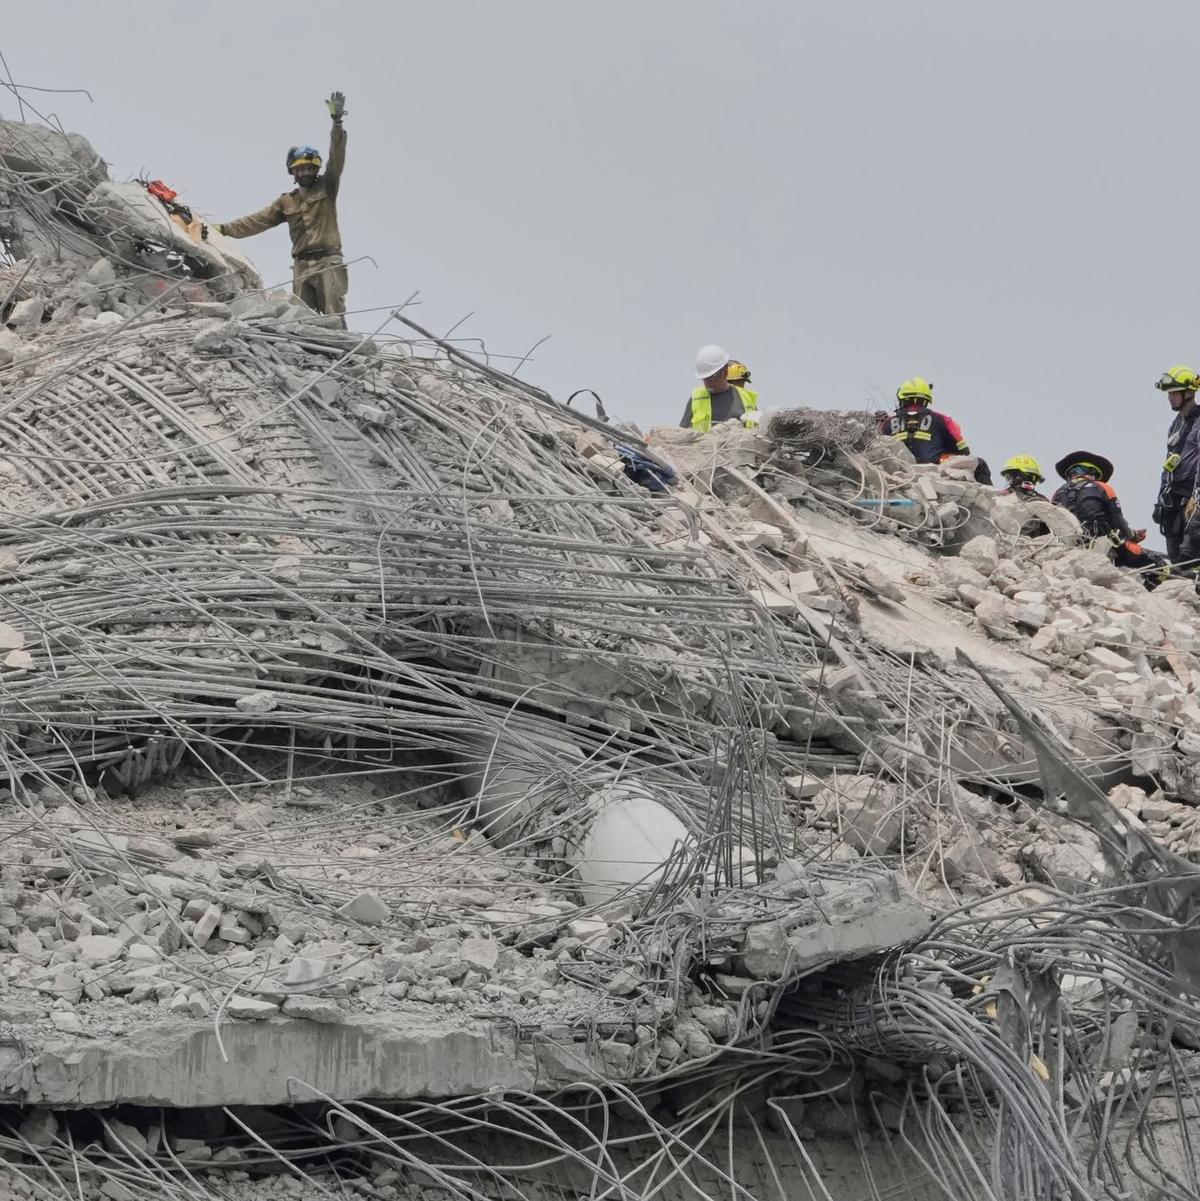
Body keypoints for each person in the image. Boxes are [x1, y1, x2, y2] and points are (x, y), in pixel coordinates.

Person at [216, 92, 349, 325]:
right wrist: (222, 229)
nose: (306, 172)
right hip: (301, 266)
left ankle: (346, 358)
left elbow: (336, 157)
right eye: (301, 169)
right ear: (293, 172)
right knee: (301, 319)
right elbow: (256, 221)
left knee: (333, 317)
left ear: (316, 169)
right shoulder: (286, 202)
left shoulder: (327, 187)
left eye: (310, 168)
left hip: (328, 262)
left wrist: (337, 123)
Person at [1051, 452, 1170, 589]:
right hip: (1105, 544)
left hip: (1069, 548)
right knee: (1155, 562)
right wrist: (1133, 535)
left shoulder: (1056, 494)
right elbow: (1118, 522)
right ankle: (1155, 592)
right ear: (1092, 473)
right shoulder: (1102, 487)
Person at [1152, 366, 1200, 563]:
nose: (1170, 398)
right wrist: (1162, 493)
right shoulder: (1175, 424)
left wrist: (1197, 493)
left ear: (1188, 393)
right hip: (1174, 494)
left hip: (1193, 492)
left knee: (1191, 546)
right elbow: (1168, 461)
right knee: (1174, 550)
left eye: (1174, 393)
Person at [879, 377, 970, 464]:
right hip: (933, 470)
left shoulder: (887, 423)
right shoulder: (943, 420)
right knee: (979, 464)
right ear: (926, 400)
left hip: (898, 469)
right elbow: (964, 451)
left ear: (902, 399)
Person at [679, 345, 759, 431]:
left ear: (725, 372)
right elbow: (682, 434)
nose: (707, 382)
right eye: (704, 378)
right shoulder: (696, 398)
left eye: (711, 377)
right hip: (707, 444)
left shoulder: (747, 398)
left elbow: (757, 432)